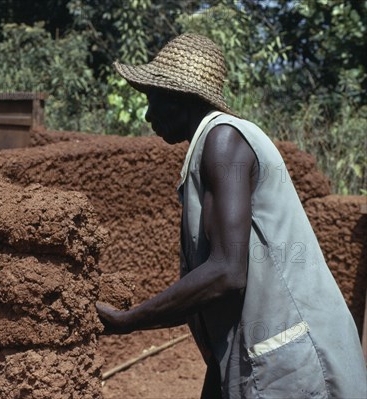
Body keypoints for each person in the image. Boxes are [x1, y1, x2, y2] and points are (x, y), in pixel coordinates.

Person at [96, 33, 367, 398]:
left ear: (181, 98)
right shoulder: (210, 145)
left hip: (295, 362)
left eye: (153, 99)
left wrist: (129, 320)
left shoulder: (224, 141)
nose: (147, 115)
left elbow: (226, 272)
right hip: (262, 356)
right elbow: (212, 285)